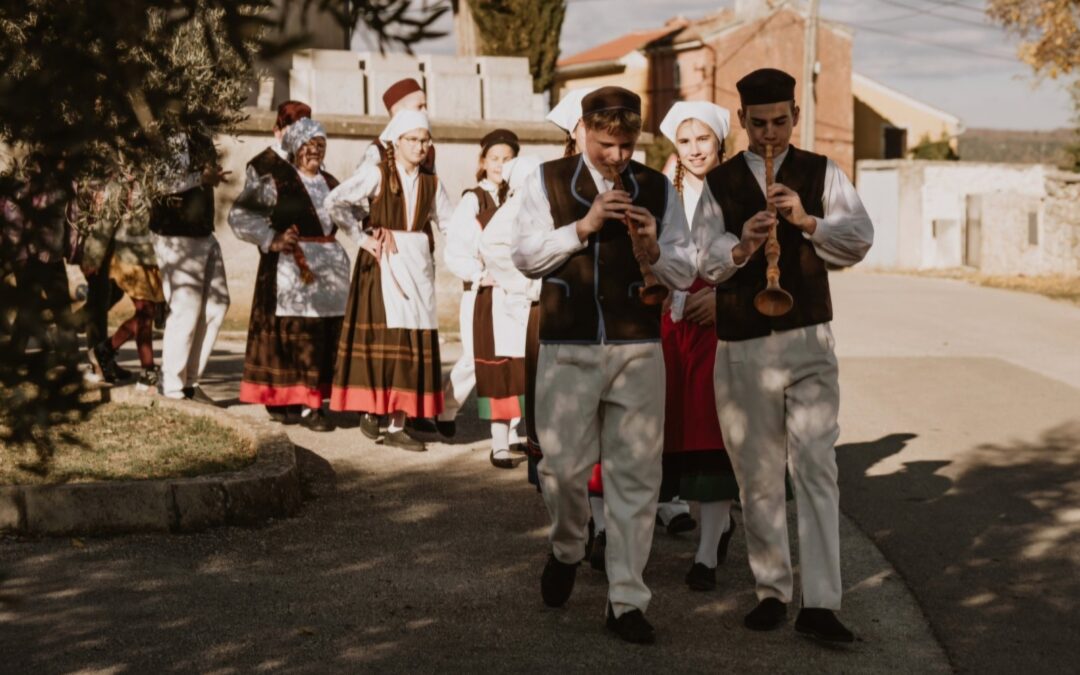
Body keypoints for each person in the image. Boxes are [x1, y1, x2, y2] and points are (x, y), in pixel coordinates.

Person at [512, 87, 696, 644]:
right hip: (568, 344)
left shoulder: (660, 188)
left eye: (626, 144)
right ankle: (568, 544)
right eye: (606, 143)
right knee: (562, 470)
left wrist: (653, 247)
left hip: (639, 346)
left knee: (637, 475)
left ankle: (626, 600)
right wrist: (585, 225)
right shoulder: (545, 180)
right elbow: (524, 257)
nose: (617, 155)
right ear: (584, 130)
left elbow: (686, 272)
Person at [694, 68, 873, 643]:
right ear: (742, 120)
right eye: (759, 123)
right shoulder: (719, 184)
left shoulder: (822, 171)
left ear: (795, 116)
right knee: (758, 475)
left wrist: (806, 220)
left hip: (809, 338)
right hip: (743, 343)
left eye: (780, 121)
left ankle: (821, 603)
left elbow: (859, 238)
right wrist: (744, 243)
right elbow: (704, 262)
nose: (769, 134)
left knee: (818, 467)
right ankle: (772, 589)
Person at [327, 110, 454, 452]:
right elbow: (335, 201)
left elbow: (451, 224)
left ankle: (399, 420)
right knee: (385, 339)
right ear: (396, 141)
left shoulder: (432, 182)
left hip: (417, 265)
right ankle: (374, 409)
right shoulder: (377, 173)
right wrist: (362, 237)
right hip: (382, 263)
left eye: (424, 140)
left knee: (411, 341)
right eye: (412, 140)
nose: (419, 146)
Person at [655, 101, 742, 592]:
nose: (694, 150)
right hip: (668, 322)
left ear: (719, 141)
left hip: (715, 322)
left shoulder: (736, 189)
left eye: (702, 139)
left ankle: (706, 552)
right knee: (673, 432)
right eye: (685, 141)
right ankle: (709, 525)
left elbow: (750, 256)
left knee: (711, 435)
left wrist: (724, 297)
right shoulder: (661, 191)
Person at [229, 116, 350, 432]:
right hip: (296, 269)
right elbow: (240, 217)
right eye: (308, 145)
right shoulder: (277, 181)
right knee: (302, 334)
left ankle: (317, 400)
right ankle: (310, 407)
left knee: (325, 336)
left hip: (330, 271)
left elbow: (355, 215)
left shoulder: (332, 184)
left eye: (320, 145)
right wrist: (273, 239)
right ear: (295, 147)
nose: (314, 152)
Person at [442, 129, 523, 463]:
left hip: (513, 295)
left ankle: (512, 429)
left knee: (514, 362)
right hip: (484, 293)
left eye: (507, 159)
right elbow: (456, 249)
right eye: (495, 158)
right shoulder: (474, 200)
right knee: (478, 361)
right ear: (483, 162)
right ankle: (445, 408)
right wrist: (478, 275)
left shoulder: (519, 196)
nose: (501, 165)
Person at [150, 130, 230, 402]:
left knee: (217, 304)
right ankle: (171, 386)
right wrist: (200, 178)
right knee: (185, 307)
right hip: (176, 233)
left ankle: (190, 381)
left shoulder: (200, 135)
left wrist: (210, 176)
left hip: (203, 232)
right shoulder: (166, 134)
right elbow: (158, 182)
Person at [83, 176, 165, 389]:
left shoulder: (158, 177)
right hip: (130, 257)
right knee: (145, 313)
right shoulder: (121, 183)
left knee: (146, 313)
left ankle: (104, 351)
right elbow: (105, 222)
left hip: (153, 258)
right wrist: (93, 256)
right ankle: (147, 369)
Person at [356, 78, 436, 174]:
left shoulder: (427, 149)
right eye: (419, 107)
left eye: (425, 106)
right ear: (398, 112)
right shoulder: (378, 150)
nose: (425, 112)